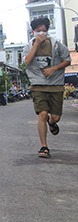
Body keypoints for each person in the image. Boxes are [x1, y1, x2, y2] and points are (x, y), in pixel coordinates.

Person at [23, 17, 71, 158]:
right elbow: (26, 61)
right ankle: (44, 146)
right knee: (42, 113)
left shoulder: (56, 44)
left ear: (48, 31)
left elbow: (67, 60)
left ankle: (52, 122)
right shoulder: (29, 46)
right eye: (38, 31)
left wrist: (54, 68)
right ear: (33, 32)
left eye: (44, 31)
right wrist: (36, 45)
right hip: (38, 84)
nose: (41, 33)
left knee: (55, 117)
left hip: (55, 84)